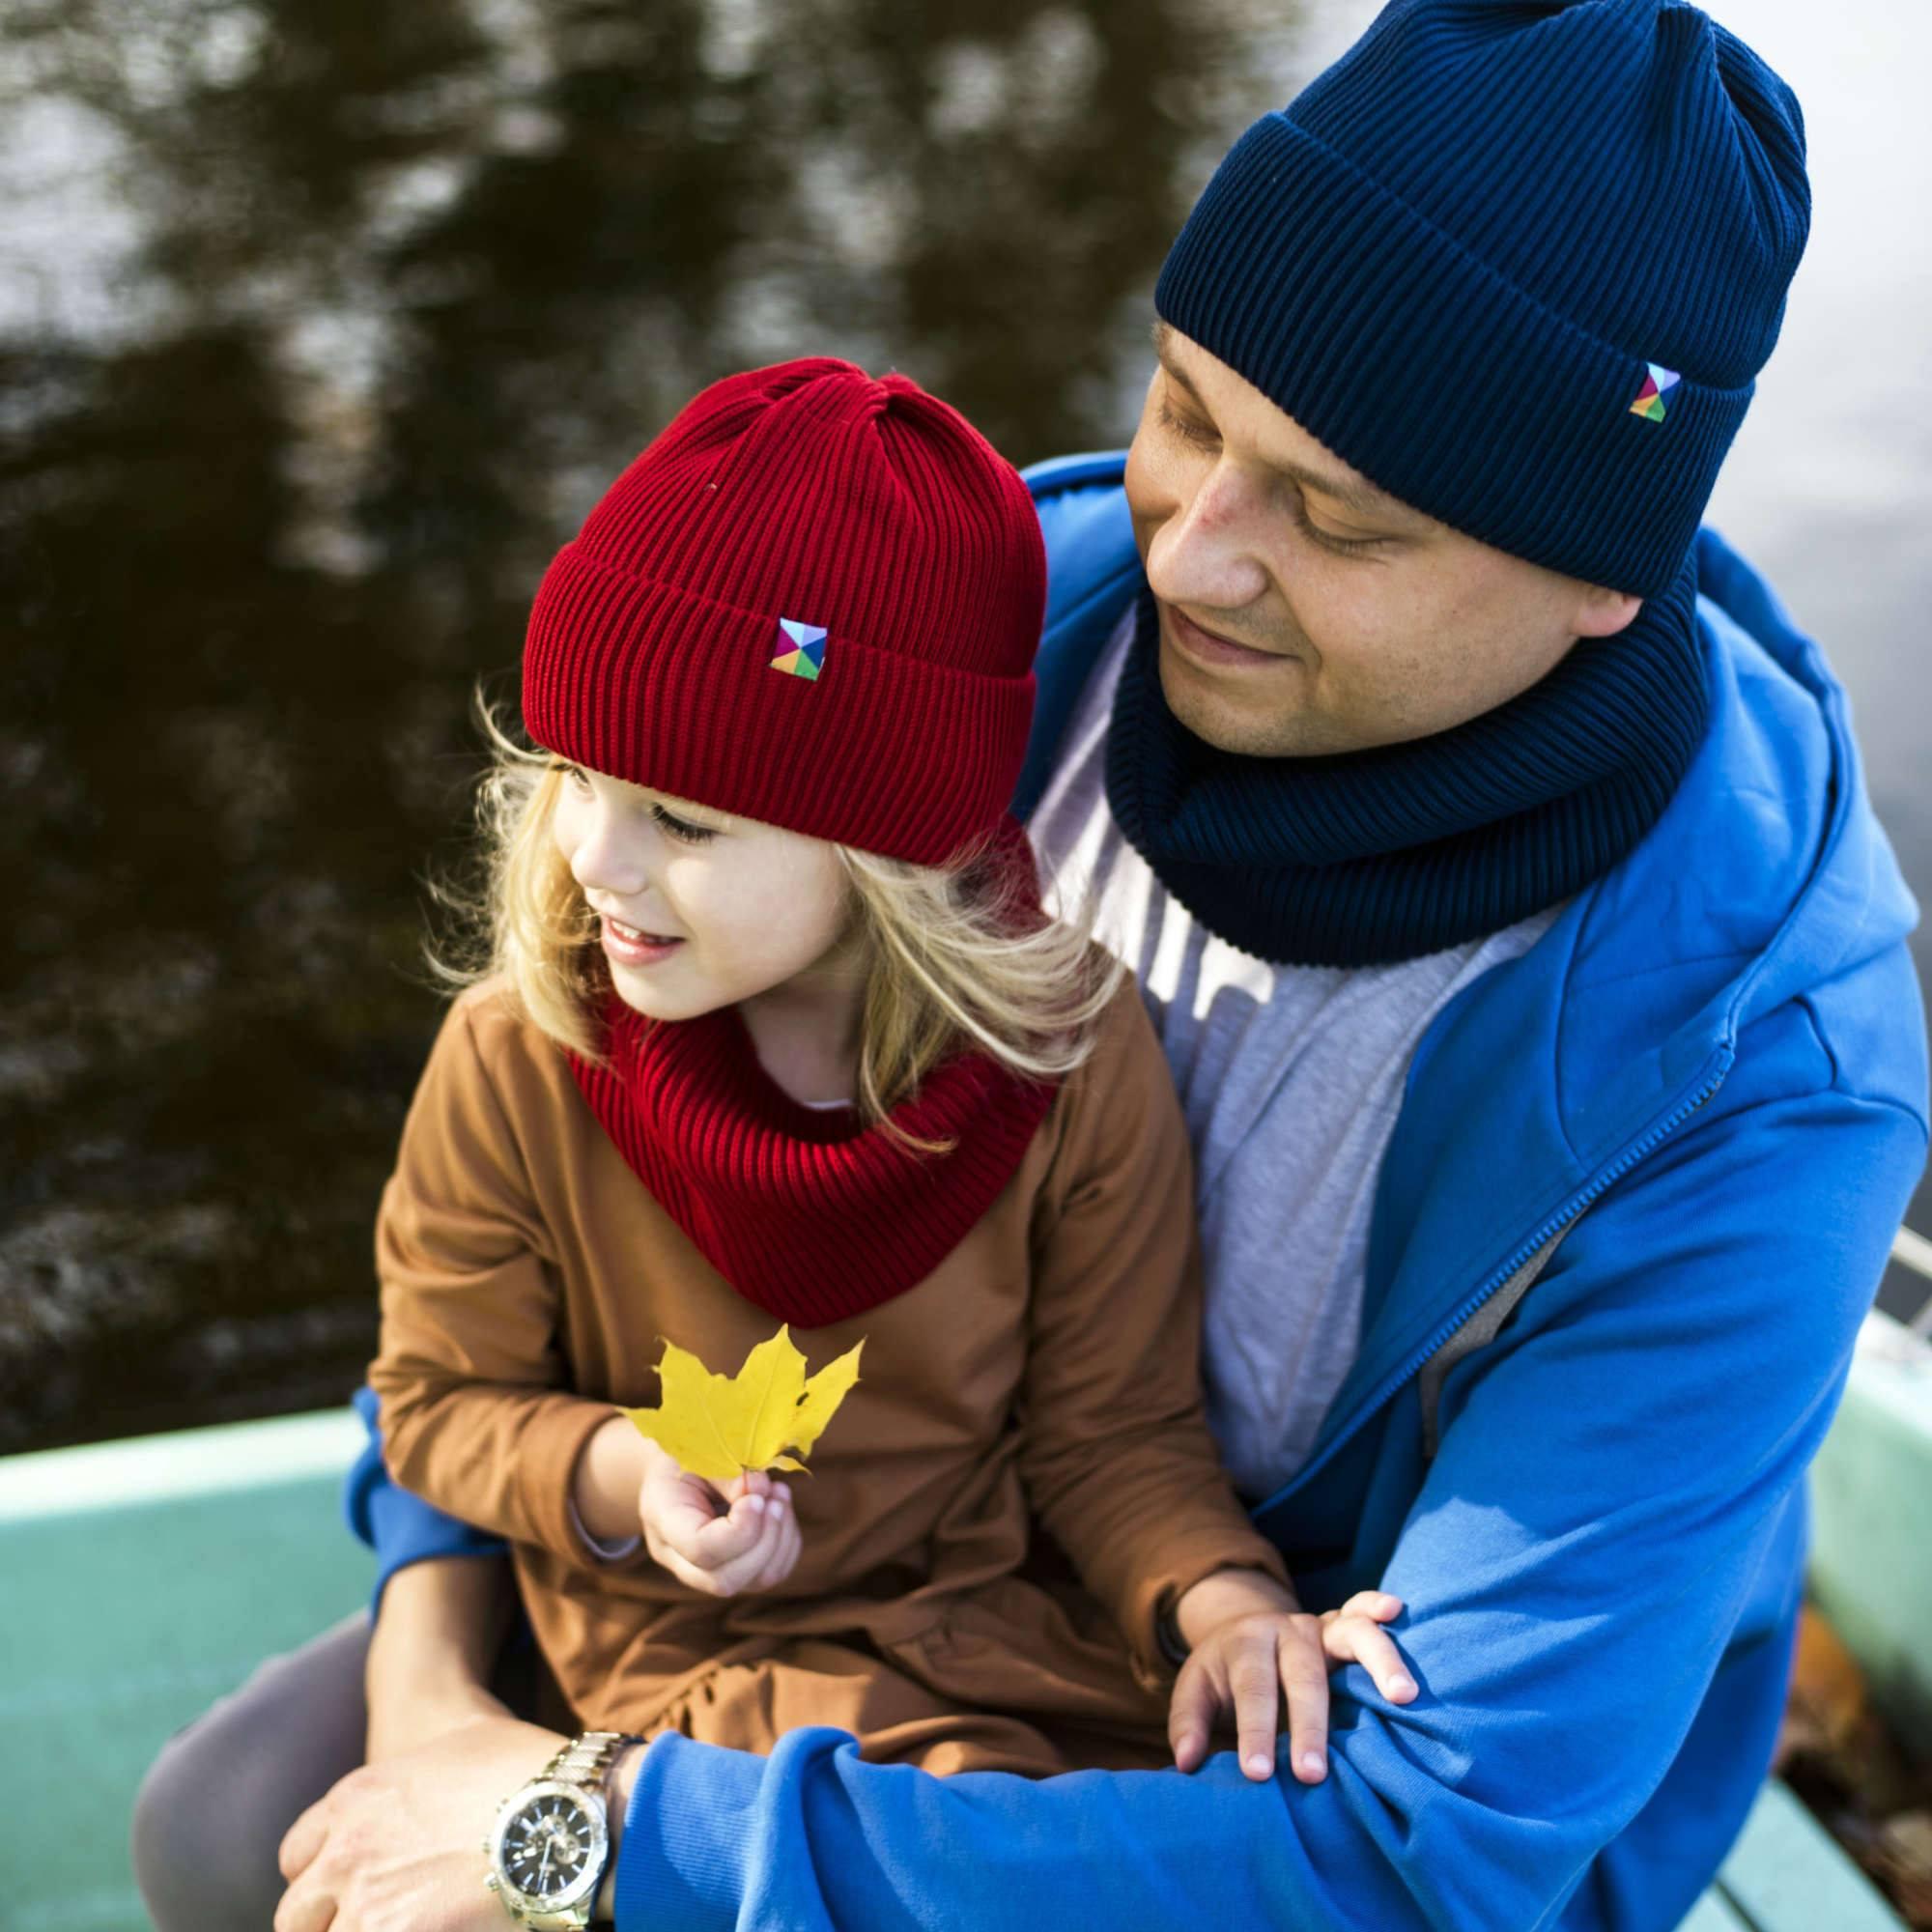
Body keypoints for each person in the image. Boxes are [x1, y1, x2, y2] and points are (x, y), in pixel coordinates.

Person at [145, 4, 1930, 1931]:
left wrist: (592, 1832)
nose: (1189, 558)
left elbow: (1422, 1852)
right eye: (1184, 409)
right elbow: (511, 1220)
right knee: (235, 1825)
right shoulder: (953, 650)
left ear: (1604, 575)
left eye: (1335, 518)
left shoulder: (1754, 1072)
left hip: (1253, 1780)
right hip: (784, 1589)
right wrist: (432, 1687)